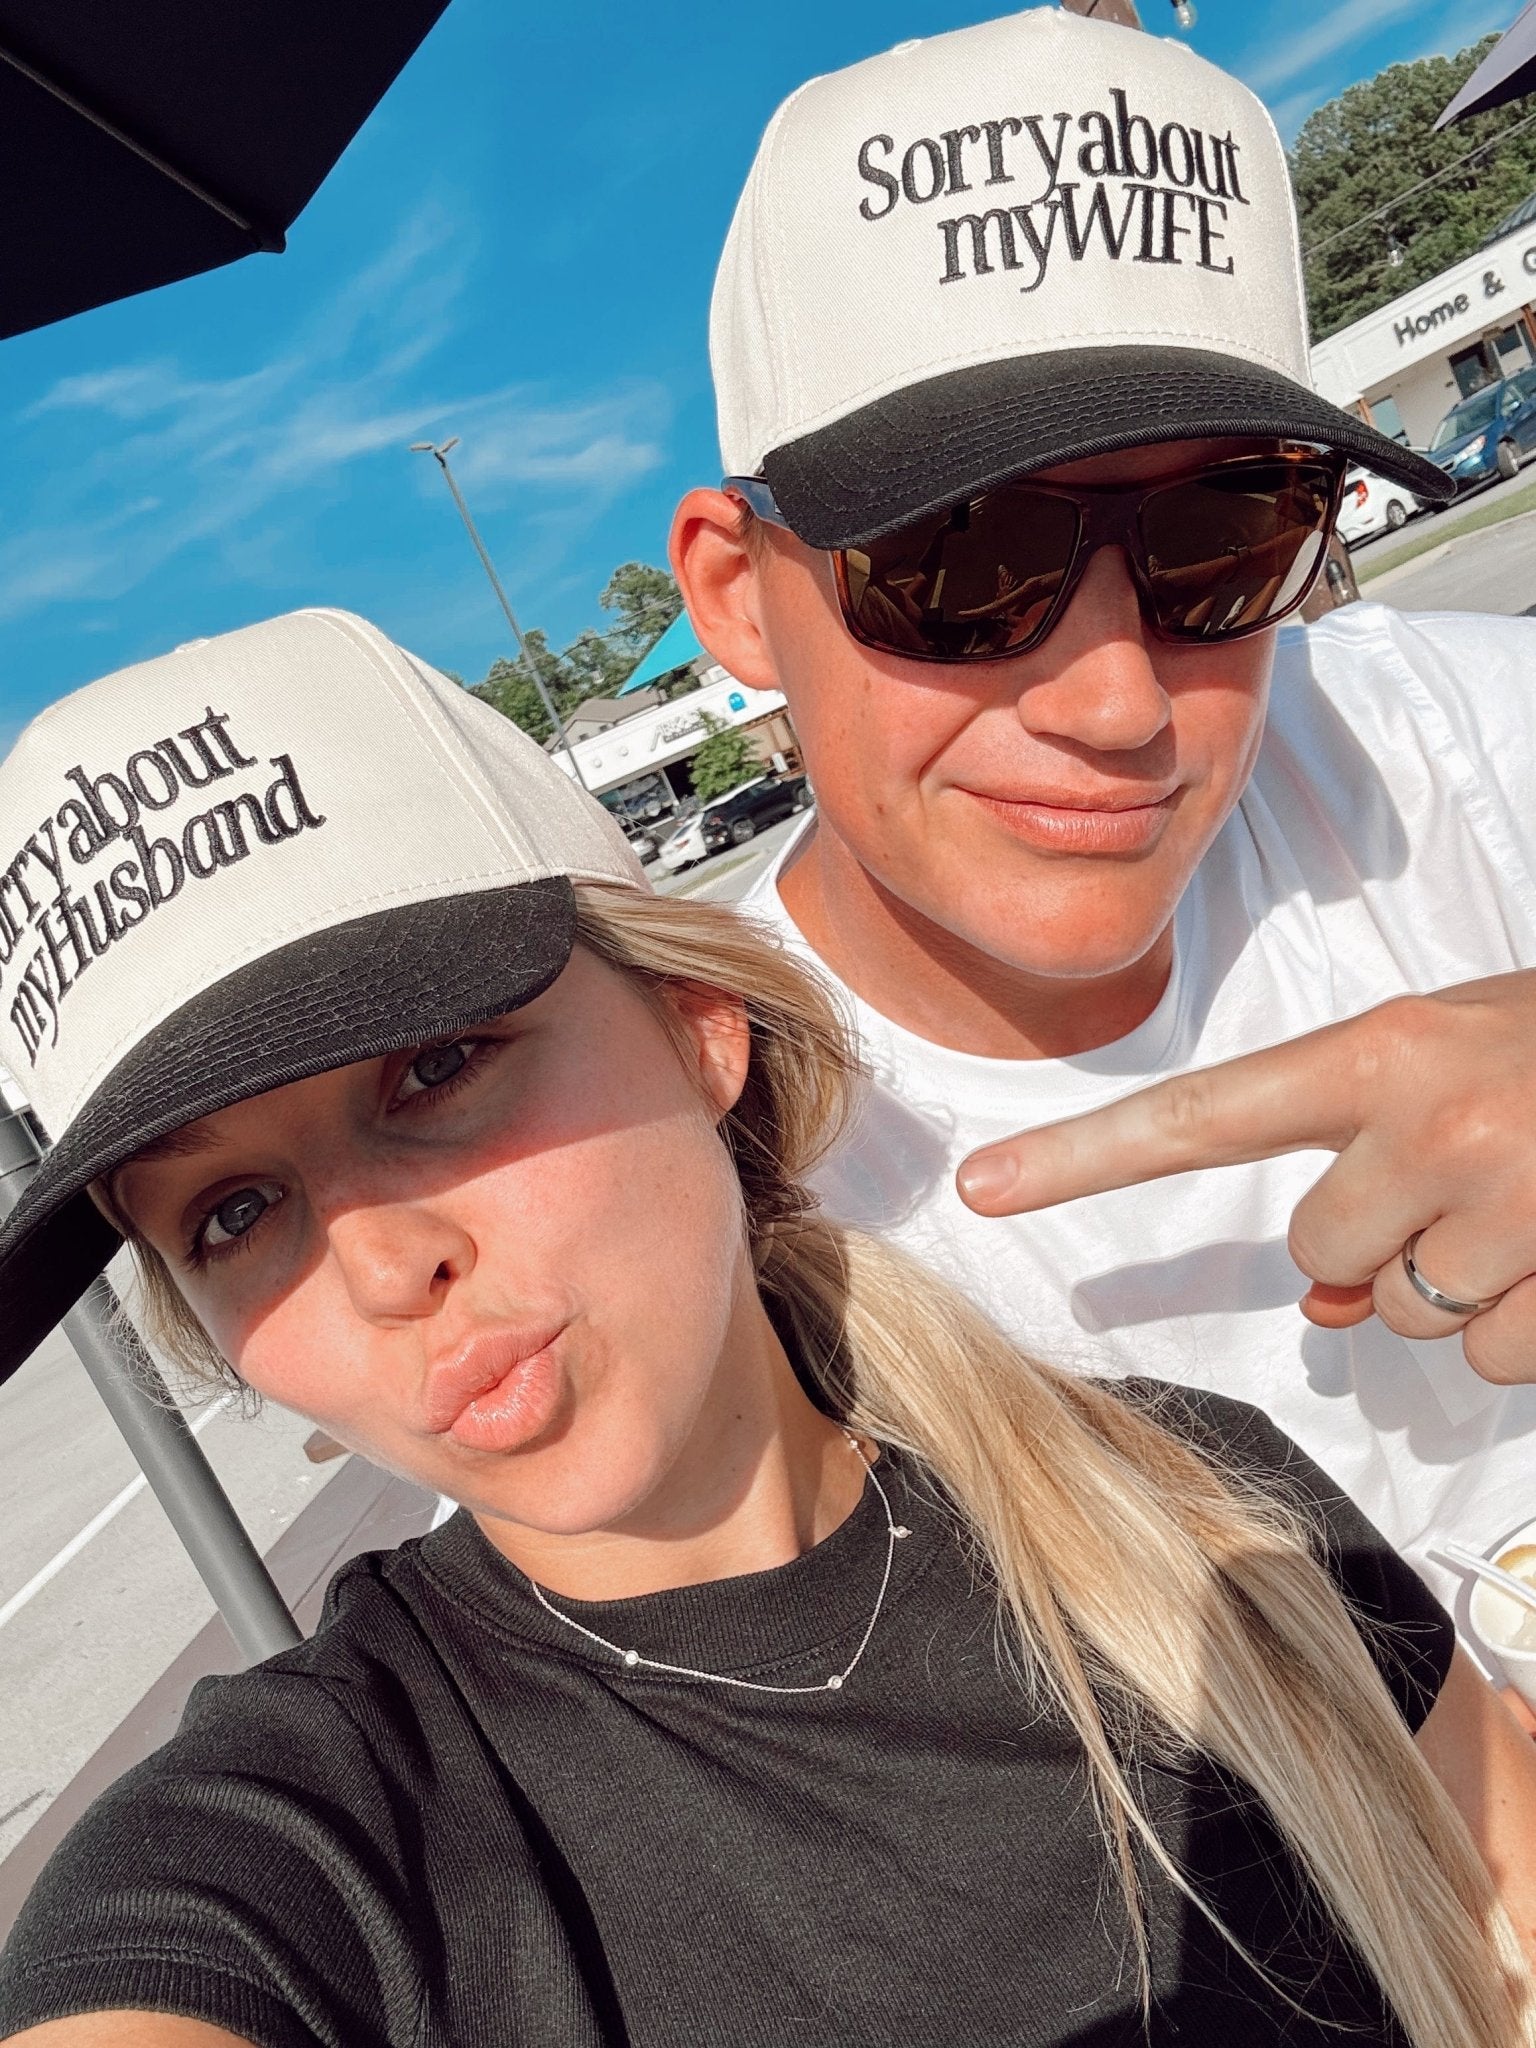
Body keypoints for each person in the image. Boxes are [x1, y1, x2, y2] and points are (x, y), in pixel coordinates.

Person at [0, 610, 1533, 2048]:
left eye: (436, 1068)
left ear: (698, 1028)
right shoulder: (311, 1829)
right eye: (233, 1214)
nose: (385, 1263)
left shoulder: (1211, 1510)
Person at [669, 9, 1536, 1647]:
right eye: (963, 559)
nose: (1121, 699)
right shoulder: (692, 1184)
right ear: (736, 595)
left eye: (1229, 533)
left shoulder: (1447, 741)